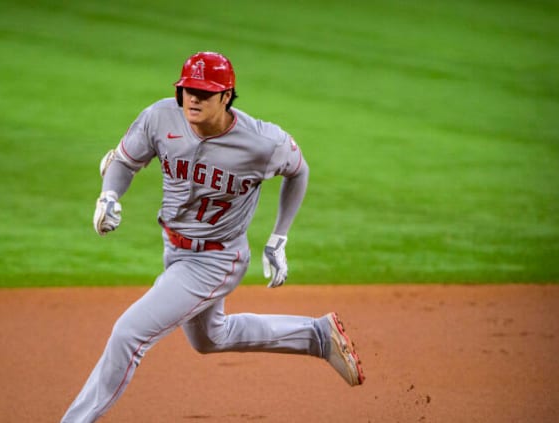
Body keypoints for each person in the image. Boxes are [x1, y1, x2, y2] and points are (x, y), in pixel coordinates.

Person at [62, 51, 364, 423]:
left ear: (226, 96)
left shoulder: (262, 142)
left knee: (129, 333)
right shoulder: (160, 118)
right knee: (209, 338)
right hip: (174, 246)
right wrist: (109, 195)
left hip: (216, 259)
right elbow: (124, 161)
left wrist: (279, 237)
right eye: (188, 89)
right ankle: (316, 336)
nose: (193, 98)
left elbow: (298, 171)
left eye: (205, 92)